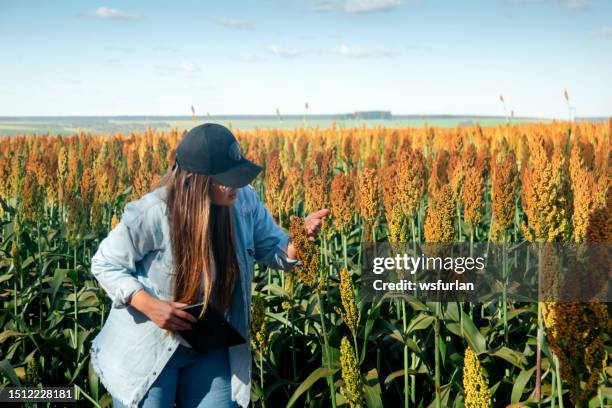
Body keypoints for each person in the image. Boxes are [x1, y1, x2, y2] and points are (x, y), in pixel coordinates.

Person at [89, 123, 330, 408]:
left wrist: (299, 239)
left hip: (208, 339)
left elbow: (273, 249)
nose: (237, 185)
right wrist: (149, 305)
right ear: (197, 181)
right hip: (150, 346)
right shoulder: (153, 212)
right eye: (228, 179)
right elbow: (105, 263)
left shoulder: (244, 201)